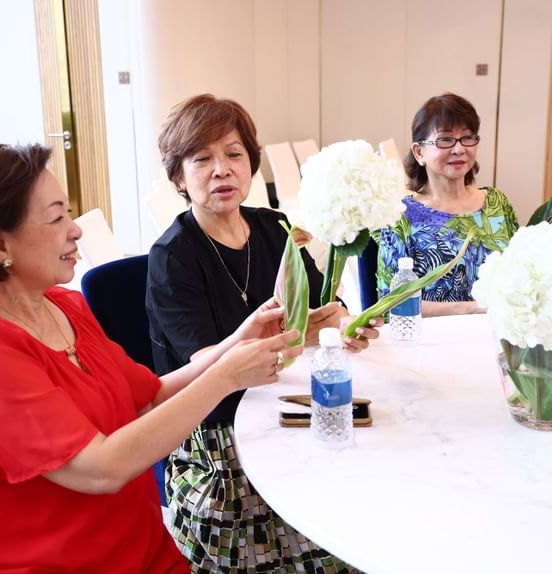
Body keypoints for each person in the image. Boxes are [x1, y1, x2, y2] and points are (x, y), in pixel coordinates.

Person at [0, 142, 304, 573]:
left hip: (141, 552)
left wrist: (236, 342)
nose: (75, 230)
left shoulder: (65, 306)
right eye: (55, 218)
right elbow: (101, 469)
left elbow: (151, 396)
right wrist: (225, 377)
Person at [146, 93, 380, 573]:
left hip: (288, 406)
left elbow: (320, 313)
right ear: (178, 177)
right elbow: (204, 364)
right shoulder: (173, 256)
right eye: (202, 158)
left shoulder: (276, 230)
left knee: (365, 520)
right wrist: (270, 339)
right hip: (218, 435)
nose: (221, 170)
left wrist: (344, 327)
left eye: (234, 154)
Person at [377, 92, 519, 316]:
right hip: (433, 343)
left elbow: (521, 276)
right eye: (445, 139)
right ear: (419, 152)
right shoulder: (401, 216)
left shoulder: (496, 203)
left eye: (468, 137)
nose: (459, 149)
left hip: (497, 339)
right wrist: (471, 309)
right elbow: (391, 304)